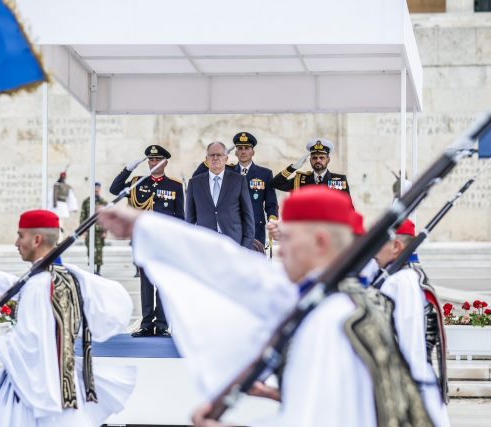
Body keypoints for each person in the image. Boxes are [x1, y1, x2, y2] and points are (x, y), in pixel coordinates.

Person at [99, 186, 432, 427]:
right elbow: (235, 269)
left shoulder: (330, 319)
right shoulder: (331, 299)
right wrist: (143, 225)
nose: (280, 250)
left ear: (320, 242)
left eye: (287, 239)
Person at [0, 209, 135, 426]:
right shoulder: (66, 276)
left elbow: (28, 347)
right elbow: (11, 283)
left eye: (20, 235)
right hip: (65, 386)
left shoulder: (39, 285)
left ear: (37, 239)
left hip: (40, 396)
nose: (16, 243)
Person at [374, 219, 450, 427]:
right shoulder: (407, 275)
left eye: (378, 243)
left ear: (396, 246)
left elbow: (409, 342)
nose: (374, 252)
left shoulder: (401, 281)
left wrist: (407, 397)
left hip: (412, 383)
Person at [110, 144, 184, 337]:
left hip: (164, 241)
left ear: (165, 162)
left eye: (157, 159)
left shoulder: (175, 186)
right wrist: (128, 169)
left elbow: (180, 217)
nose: (154, 162)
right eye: (151, 159)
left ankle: (162, 324)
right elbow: (114, 189)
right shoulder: (137, 182)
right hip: (143, 240)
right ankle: (146, 323)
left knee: (163, 282)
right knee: (146, 283)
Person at [186, 141, 254, 249]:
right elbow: (189, 220)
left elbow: (248, 217)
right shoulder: (194, 183)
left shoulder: (238, 181)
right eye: (211, 155)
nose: (215, 158)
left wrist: (245, 247)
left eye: (219, 155)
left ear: (226, 158)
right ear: (206, 159)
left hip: (233, 244)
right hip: (204, 245)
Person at [231, 131, 278, 244]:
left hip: (256, 226)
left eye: (247, 148)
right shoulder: (228, 172)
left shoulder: (265, 174)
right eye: (240, 148)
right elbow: (200, 174)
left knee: (255, 254)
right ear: (236, 152)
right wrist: (218, 154)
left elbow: (271, 204)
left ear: (253, 152)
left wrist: (272, 221)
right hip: (232, 227)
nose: (243, 151)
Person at [271, 138, 351, 198]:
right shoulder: (300, 180)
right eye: (314, 158)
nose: (318, 160)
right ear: (310, 160)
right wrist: (293, 167)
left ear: (328, 160)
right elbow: (275, 184)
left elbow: (348, 207)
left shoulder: (339, 180)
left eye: (321, 158)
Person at [80, 182, 108, 275]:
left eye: (98, 188)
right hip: (89, 230)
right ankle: (92, 270)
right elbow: (82, 216)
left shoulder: (104, 202)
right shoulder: (86, 201)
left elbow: (107, 218)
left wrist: (105, 231)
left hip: (100, 231)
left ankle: (98, 270)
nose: (96, 190)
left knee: (99, 251)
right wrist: (83, 231)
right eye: (95, 188)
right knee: (90, 250)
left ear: (100, 189)